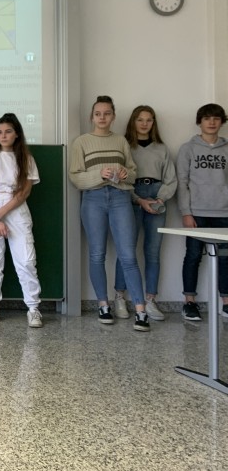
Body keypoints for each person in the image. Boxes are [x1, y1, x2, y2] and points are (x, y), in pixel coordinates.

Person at [69, 95, 150, 331]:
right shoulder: (81, 142)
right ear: (91, 117)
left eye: (107, 113)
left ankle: (141, 310)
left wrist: (125, 173)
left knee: (128, 256)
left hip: (120, 198)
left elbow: (133, 173)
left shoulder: (120, 141)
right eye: (98, 114)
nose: (102, 117)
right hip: (93, 199)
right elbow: (75, 177)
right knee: (97, 254)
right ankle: (103, 305)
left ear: (113, 116)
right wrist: (99, 175)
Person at [0, 113, 43, 329]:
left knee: (26, 261)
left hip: (16, 210)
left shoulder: (26, 159)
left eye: (8, 132)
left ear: (16, 134)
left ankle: (33, 308)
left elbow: (24, 192)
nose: (3, 136)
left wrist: (2, 213)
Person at [113, 105, 177, 321]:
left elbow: (171, 180)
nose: (144, 124)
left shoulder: (162, 148)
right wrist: (138, 199)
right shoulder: (124, 146)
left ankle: (150, 300)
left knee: (153, 251)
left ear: (153, 123)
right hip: (131, 196)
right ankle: (120, 297)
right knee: (126, 251)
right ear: (133, 121)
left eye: (149, 120)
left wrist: (160, 199)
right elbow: (121, 179)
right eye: (140, 119)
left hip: (157, 196)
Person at [176, 103, 228, 321]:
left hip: (224, 213)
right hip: (197, 212)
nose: (212, 122)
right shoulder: (188, 149)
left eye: (216, 118)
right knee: (193, 256)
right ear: (200, 122)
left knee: (225, 258)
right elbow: (182, 182)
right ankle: (189, 302)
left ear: (222, 122)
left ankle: (226, 303)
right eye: (207, 118)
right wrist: (186, 212)